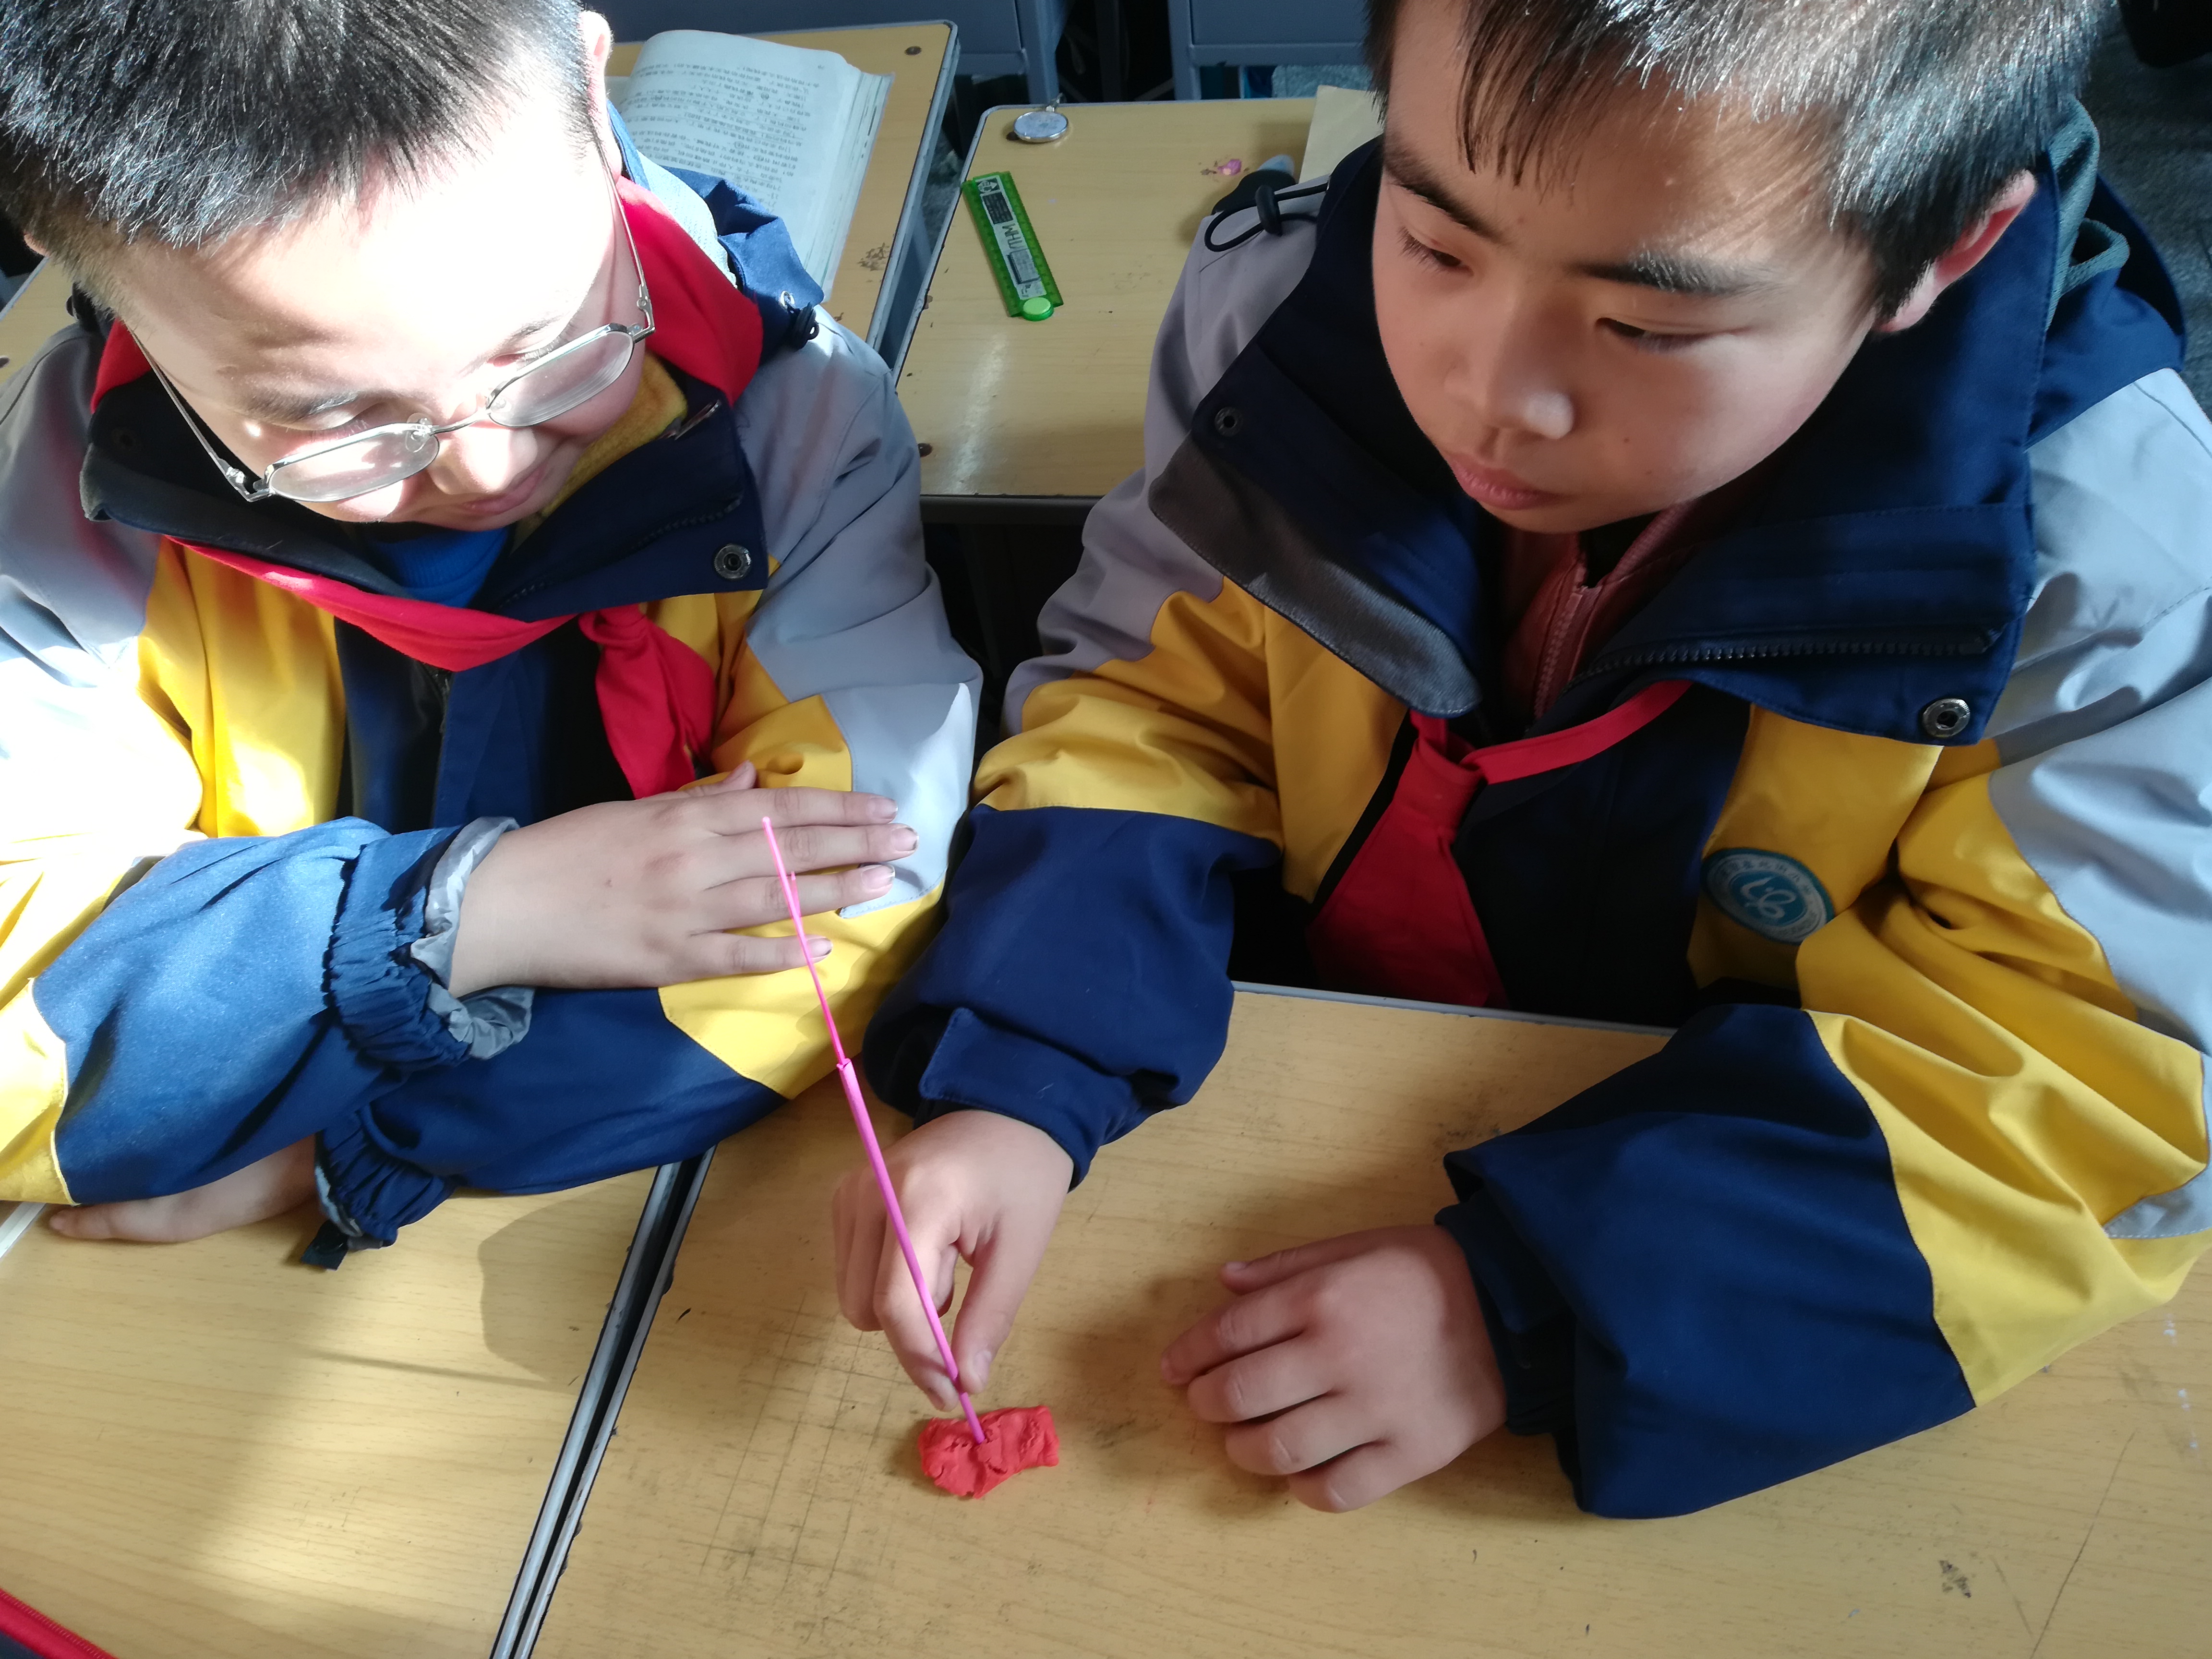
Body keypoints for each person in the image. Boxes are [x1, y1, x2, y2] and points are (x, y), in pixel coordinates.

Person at [853, 0, 2212, 1517]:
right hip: (1314, 1091)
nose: (1494, 394)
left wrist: (1527, 1303)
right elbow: (1156, 699)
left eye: (1652, 326)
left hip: (1712, 1221)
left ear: (1941, 251)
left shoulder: (2114, 584)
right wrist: (1025, 1065)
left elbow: (2082, 1097)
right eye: (1436, 245)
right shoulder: (1279, 329)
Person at [0, 0, 977, 1260]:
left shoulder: (794, 416)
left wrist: (357, 1136)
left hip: (555, 1191)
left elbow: (852, 899)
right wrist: (463, 910)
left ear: (591, 84)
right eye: (335, 418)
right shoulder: (70, 498)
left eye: (555, 345)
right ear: (76, 253)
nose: (489, 469)